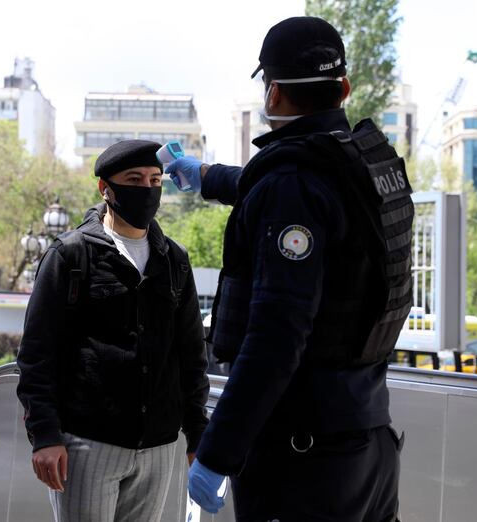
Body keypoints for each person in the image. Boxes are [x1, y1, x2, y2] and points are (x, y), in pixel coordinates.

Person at [167, 16, 413, 522]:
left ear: (273, 94)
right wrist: (207, 177)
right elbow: (292, 193)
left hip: (304, 457)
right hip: (369, 445)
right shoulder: (368, 163)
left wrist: (217, 453)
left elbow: (277, 337)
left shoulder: (294, 183)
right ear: (343, 88)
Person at [16, 139, 210, 522]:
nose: (147, 188)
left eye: (155, 180)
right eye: (134, 179)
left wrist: (198, 435)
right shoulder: (71, 254)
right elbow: (37, 354)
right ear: (106, 189)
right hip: (88, 443)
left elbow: (191, 354)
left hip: (157, 447)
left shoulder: (175, 260)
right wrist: (45, 435)